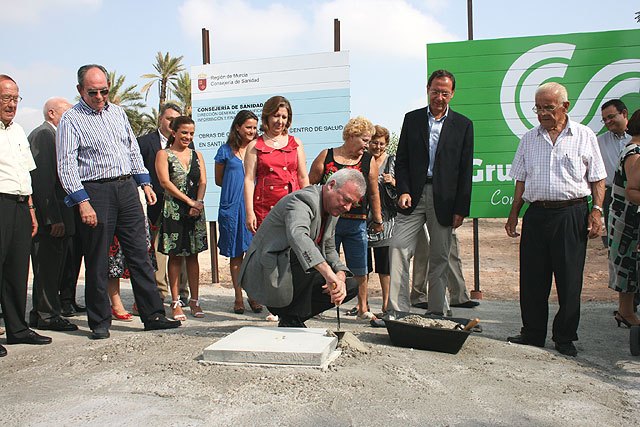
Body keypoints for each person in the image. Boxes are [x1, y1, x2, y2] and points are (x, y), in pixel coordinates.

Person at [57, 64, 181, 339]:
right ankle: (100, 322)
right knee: (98, 259)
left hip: (126, 189)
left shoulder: (118, 113)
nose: (100, 97)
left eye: (104, 91)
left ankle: (153, 315)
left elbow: (132, 151)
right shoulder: (71, 120)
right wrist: (82, 202)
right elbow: (66, 166)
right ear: (80, 90)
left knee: (140, 254)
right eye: (93, 92)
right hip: (95, 192)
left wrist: (144, 183)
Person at [505, 82, 606, 357]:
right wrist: (514, 213)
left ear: (565, 107)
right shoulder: (529, 138)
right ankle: (533, 333)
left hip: (571, 213)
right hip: (536, 214)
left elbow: (597, 178)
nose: (542, 114)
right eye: (538, 108)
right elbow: (520, 180)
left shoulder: (584, 136)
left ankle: (564, 336)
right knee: (532, 277)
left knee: (569, 277)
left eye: (548, 108)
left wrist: (596, 211)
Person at [388, 69, 474, 317]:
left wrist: (461, 209)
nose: (439, 97)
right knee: (397, 249)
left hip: (445, 199)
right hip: (412, 197)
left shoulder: (463, 125)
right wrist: (402, 189)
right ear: (427, 89)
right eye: (435, 91)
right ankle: (396, 311)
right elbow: (402, 160)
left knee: (440, 256)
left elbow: (465, 171)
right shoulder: (412, 119)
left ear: (452, 94)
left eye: (444, 93)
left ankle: (437, 312)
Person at [238, 168, 362, 327]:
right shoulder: (302, 200)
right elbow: (298, 236)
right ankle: (289, 316)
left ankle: (292, 319)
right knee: (305, 255)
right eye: (346, 199)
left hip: (290, 272)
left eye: (353, 203)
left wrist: (340, 275)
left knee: (351, 286)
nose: (348, 208)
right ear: (331, 185)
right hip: (268, 271)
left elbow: (329, 248)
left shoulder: (333, 209)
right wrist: (328, 273)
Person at [309, 117, 384, 322]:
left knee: (360, 265)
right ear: (351, 136)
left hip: (357, 221)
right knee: (325, 263)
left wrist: (377, 219)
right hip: (327, 222)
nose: (367, 145)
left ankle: (362, 307)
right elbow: (311, 184)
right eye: (364, 140)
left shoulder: (369, 161)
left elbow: (374, 193)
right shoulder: (327, 155)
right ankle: (320, 305)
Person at [244, 95, 310, 322]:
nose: (280, 121)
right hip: (265, 208)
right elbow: (249, 180)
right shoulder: (255, 146)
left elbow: (303, 176)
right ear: (267, 117)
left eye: (284, 116)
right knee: (270, 257)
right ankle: (273, 306)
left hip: (293, 207)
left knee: (294, 255)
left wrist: (310, 205)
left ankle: (292, 303)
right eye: (276, 116)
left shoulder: (296, 143)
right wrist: (250, 211)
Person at [0, 74, 52, 357]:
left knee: (18, 270)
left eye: (15, 98)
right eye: (6, 98)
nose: (11, 104)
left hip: (21, 205)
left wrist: (31, 209)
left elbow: (25, 174)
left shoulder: (19, 131)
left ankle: (17, 329)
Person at [28, 97, 79, 332]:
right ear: (51, 113)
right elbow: (43, 180)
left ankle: (42, 313)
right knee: (47, 267)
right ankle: (48, 315)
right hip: (52, 217)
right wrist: (53, 217)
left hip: (60, 214)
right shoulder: (45, 135)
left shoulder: (56, 135)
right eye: (66, 113)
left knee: (53, 267)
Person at [156, 115, 208, 321]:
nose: (187, 136)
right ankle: (176, 301)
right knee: (175, 256)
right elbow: (165, 182)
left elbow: (203, 181)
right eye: (184, 132)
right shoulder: (164, 154)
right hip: (174, 210)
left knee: (194, 256)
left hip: (196, 210)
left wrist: (199, 202)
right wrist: (189, 202)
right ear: (174, 132)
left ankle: (195, 300)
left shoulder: (197, 155)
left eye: (191, 133)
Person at [137, 103, 190, 305]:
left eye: (176, 119)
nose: (172, 123)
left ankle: (182, 294)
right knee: (157, 251)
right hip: (155, 207)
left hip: (181, 208)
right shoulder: (144, 143)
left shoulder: (187, 144)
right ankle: (159, 293)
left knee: (182, 251)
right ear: (160, 119)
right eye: (169, 119)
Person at [215, 110, 263, 314]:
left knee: (253, 255)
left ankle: (253, 296)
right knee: (235, 255)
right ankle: (237, 297)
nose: (252, 131)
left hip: (253, 208)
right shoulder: (225, 151)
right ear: (237, 127)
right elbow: (219, 180)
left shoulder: (259, 150)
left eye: (254, 127)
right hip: (232, 209)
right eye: (248, 127)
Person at [609, 109, 640, 327]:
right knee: (628, 266)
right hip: (629, 219)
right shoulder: (635, 153)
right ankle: (626, 313)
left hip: (627, 217)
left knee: (629, 267)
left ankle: (625, 311)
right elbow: (633, 190)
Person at [365, 125, 395, 317]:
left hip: (386, 219)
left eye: (381, 143)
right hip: (363, 218)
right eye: (374, 142)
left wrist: (394, 181)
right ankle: (363, 304)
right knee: (363, 265)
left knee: (384, 264)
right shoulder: (363, 160)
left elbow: (404, 186)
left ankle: (386, 304)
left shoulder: (392, 162)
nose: (377, 146)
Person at [410, 227, 478, 311]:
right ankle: (419, 296)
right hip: (422, 215)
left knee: (451, 248)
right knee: (424, 249)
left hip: (443, 216)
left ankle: (459, 297)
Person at [597, 99, 630, 247]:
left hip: (636, 193)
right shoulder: (599, 142)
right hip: (612, 196)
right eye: (604, 119)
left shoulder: (636, 138)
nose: (607, 121)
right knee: (615, 242)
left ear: (624, 113)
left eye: (611, 117)